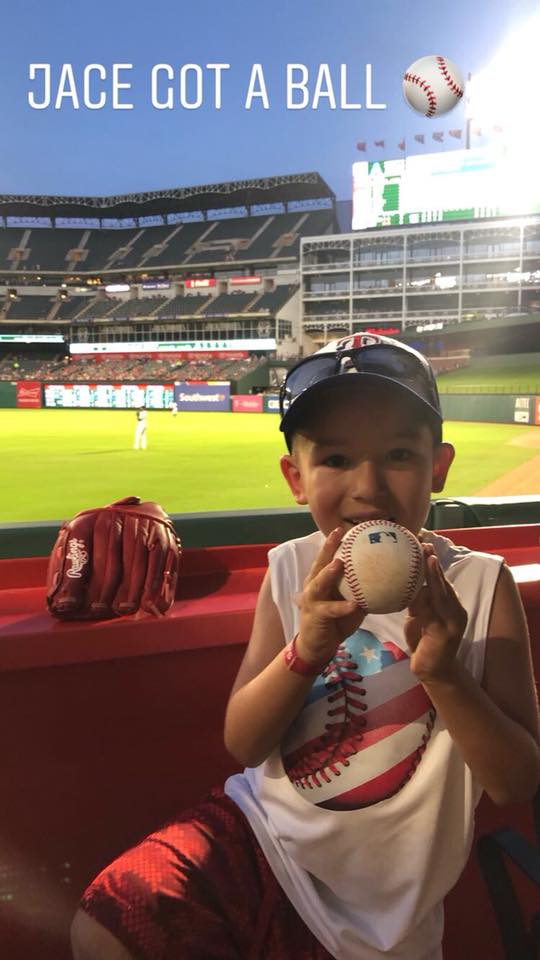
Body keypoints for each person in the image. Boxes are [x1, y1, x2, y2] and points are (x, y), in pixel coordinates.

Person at [71, 333, 540, 960]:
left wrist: (445, 674)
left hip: (386, 908)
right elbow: (244, 742)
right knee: (108, 922)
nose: (368, 486)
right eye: (337, 460)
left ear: (438, 466)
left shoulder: (481, 585)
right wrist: (308, 646)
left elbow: (515, 782)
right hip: (264, 840)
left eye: (398, 453)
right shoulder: (291, 569)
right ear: (296, 478)